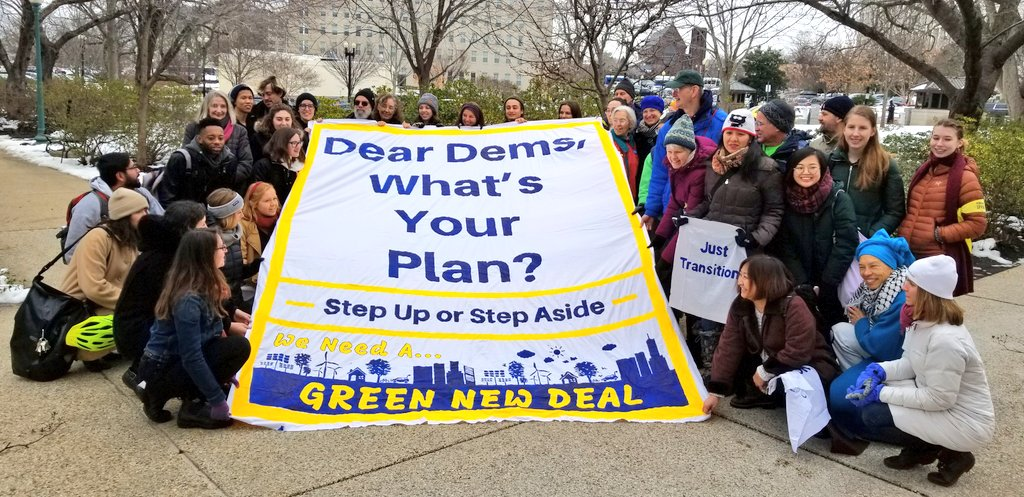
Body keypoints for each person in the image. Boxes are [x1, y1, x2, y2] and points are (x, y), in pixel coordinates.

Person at [847, 255, 994, 487]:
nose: (904, 286)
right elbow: (910, 363)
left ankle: (954, 454)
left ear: (928, 291)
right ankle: (923, 448)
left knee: (874, 413)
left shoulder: (946, 340)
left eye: (912, 283)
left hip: (965, 422)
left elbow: (939, 398)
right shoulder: (921, 319)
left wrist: (881, 393)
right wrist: (879, 371)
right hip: (943, 403)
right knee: (878, 402)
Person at [685, 108, 784, 371]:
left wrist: (755, 238)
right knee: (708, 303)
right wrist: (689, 218)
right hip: (713, 251)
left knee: (738, 306)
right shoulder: (713, 165)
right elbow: (709, 203)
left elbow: (773, 211)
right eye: (729, 132)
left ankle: (737, 365)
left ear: (750, 138)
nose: (733, 139)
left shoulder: (766, 170)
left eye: (740, 134)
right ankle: (710, 363)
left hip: (744, 252)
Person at [137, 229, 252, 428]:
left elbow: (215, 331)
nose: (225, 250)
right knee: (235, 347)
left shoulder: (208, 282)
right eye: (220, 247)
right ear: (205, 255)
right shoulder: (188, 299)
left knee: (236, 347)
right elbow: (191, 356)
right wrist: (216, 399)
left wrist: (223, 372)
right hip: (161, 369)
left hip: (178, 360)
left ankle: (196, 392)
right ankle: (185, 404)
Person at [702, 255, 839, 412]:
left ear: (764, 280)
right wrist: (716, 392)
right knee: (725, 377)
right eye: (740, 275)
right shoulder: (741, 304)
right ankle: (765, 394)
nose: (739, 282)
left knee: (784, 386)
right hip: (770, 360)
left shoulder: (793, 305)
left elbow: (799, 351)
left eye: (745, 277)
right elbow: (728, 346)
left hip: (809, 366)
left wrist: (765, 371)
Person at [828, 231, 915, 447]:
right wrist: (863, 323)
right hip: (883, 349)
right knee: (838, 330)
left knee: (840, 396)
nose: (866, 273)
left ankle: (877, 408)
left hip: (898, 361)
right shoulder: (877, 288)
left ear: (890, 265)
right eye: (862, 266)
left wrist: (861, 323)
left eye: (874, 266)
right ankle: (861, 382)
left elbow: (881, 348)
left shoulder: (901, 297)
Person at [114, 201, 208, 390]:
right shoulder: (163, 259)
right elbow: (180, 303)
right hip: (137, 330)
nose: (208, 229)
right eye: (202, 225)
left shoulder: (174, 250)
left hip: (149, 321)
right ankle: (143, 376)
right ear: (187, 231)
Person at [60, 188, 149, 371]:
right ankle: (88, 353)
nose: (146, 215)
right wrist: (131, 302)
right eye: (140, 211)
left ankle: (111, 348)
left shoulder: (128, 237)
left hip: (104, 302)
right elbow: (93, 287)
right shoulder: (98, 237)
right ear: (125, 215)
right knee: (133, 316)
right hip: (79, 309)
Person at [770, 147, 858, 327]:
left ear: (823, 170)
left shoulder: (838, 198)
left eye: (812, 167)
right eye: (800, 167)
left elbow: (847, 242)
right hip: (797, 279)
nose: (806, 173)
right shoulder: (785, 199)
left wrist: (828, 282)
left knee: (830, 326)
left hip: (833, 280)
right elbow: (784, 243)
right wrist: (801, 282)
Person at [898, 119, 985, 296]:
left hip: (937, 258)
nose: (939, 144)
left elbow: (978, 224)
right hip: (910, 254)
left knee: (932, 314)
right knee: (910, 312)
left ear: (959, 142)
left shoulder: (965, 177)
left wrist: (939, 234)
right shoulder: (926, 170)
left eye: (947, 139)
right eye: (935, 137)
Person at [642, 70, 726, 229]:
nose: (674, 93)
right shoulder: (668, 127)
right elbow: (660, 171)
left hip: (706, 216)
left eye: (678, 89)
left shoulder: (721, 124)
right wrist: (651, 209)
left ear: (694, 91)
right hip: (671, 211)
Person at [651, 115, 714, 289]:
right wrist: (660, 236)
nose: (673, 157)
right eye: (669, 152)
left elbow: (690, 221)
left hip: (698, 233)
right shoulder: (676, 167)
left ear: (690, 150)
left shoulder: (698, 173)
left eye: (678, 152)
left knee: (673, 275)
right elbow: (675, 202)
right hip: (683, 222)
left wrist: (665, 259)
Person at [65, 152, 163, 262]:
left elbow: (163, 224)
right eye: (133, 167)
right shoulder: (90, 205)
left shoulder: (143, 193)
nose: (138, 170)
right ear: (120, 176)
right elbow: (72, 254)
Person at [828, 105, 905, 237]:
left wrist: (872, 234)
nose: (855, 133)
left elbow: (895, 212)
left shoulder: (885, 165)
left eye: (862, 128)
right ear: (844, 129)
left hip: (864, 243)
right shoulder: (831, 161)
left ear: (873, 131)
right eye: (851, 127)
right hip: (832, 241)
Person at [155, 118, 240, 207]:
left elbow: (227, 196)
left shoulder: (230, 160)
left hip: (214, 215)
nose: (217, 142)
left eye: (220, 138)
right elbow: (167, 197)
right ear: (199, 139)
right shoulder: (181, 158)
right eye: (211, 138)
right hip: (183, 215)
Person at [207, 188, 260, 311]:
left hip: (236, 302)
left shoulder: (234, 234)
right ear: (227, 216)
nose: (242, 215)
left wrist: (255, 266)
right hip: (221, 308)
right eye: (238, 212)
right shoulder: (210, 242)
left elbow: (234, 274)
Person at [183, 90, 253, 176]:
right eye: (214, 106)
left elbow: (246, 163)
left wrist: (226, 178)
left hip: (229, 184)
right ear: (207, 107)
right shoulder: (193, 128)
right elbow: (185, 157)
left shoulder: (240, 131)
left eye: (223, 106)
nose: (219, 110)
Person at [252, 127, 305, 206]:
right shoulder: (263, 166)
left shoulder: (300, 166)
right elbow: (257, 195)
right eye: (294, 143)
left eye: (299, 142)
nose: (298, 147)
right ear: (281, 143)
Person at [755, 99, 811, 172]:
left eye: (760, 124)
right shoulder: (750, 147)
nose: (756, 128)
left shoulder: (800, 153)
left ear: (777, 126)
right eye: (755, 123)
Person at [240, 181, 279, 271]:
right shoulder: (242, 225)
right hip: (253, 279)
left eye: (274, 198)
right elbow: (241, 260)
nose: (273, 204)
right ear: (254, 203)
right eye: (267, 201)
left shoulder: (283, 220)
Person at [608, 105, 641, 203]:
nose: (618, 124)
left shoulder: (633, 142)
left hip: (631, 196)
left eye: (622, 120)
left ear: (630, 123)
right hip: (615, 198)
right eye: (615, 120)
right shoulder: (608, 142)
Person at [636, 95, 665, 165]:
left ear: (660, 113)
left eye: (652, 110)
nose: (648, 115)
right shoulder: (636, 132)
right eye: (645, 111)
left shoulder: (665, 132)